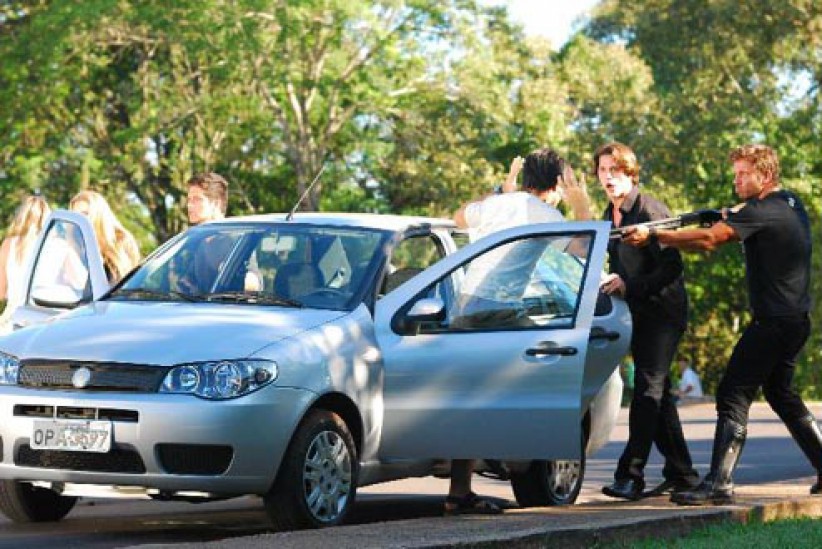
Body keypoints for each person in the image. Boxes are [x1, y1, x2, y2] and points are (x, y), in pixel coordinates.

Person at [622, 144, 820, 505]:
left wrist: (655, 235)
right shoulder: (790, 203)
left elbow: (710, 239)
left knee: (732, 394)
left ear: (766, 175)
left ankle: (719, 483)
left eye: (744, 174)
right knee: (780, 394)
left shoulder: (761, 211)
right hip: (795, 321)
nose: (736, 180)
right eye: (736, 174)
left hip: (773, 324)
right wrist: (725, 215)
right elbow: (731, 224)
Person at [445, 147, 591, 516]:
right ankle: (517, 459)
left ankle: (459, 493)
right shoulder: (542, 212)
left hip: (464, 310)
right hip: (498, 313)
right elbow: (583, 248)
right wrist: (581, 205)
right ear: (556, 184)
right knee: (544, 371)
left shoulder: (498, 204)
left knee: (469, 400)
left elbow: (458, 217)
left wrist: (500, 190)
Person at [596, 142, 699, 501]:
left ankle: (631, 474)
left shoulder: (649, 210)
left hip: (663, 313)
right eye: (603, 170)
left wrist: (630, 286)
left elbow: (673, 267)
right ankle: (683, 474)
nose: (608, 177)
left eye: (615, 170)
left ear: (630, 173)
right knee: (659, 395)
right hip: (636, 312)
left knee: (647, 389)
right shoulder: (609, 214)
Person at [0, 195, 51, 332]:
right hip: (44, 318)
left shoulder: (9, 244)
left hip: (13, 317)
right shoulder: (55, 245)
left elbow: (1, 291)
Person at [69, 190, 141, 284]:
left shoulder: (121, 240)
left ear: (98, 214)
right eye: (76, 216)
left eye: (85, 213)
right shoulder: (77, 244)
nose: (80, 220)